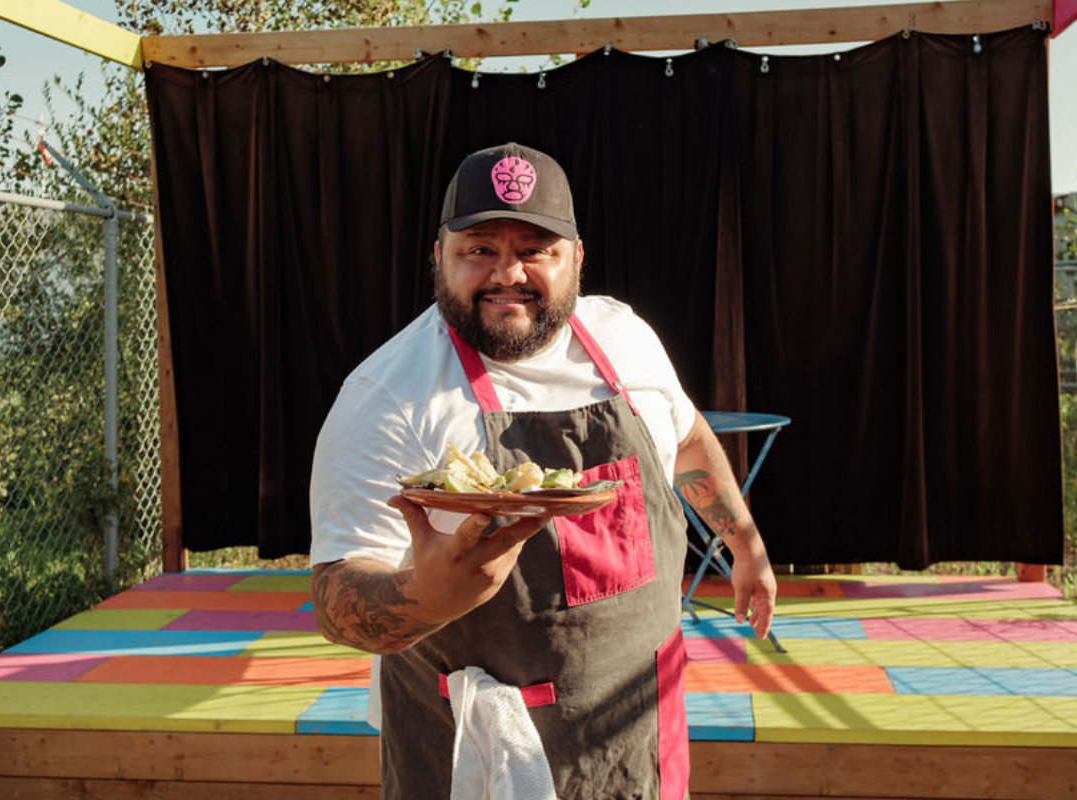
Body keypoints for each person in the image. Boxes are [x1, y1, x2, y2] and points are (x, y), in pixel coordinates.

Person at [309, 142, 776, 799]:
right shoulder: (388, 395)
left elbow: (689, 437)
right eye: (479, 249)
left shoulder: (626, 339)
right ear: (439, 255)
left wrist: (744, 544)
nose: (508, 274)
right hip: (481, 754)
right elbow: (336, 599)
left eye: (535, 249)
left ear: (576, 258)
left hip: (639, 726)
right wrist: (425, 597)